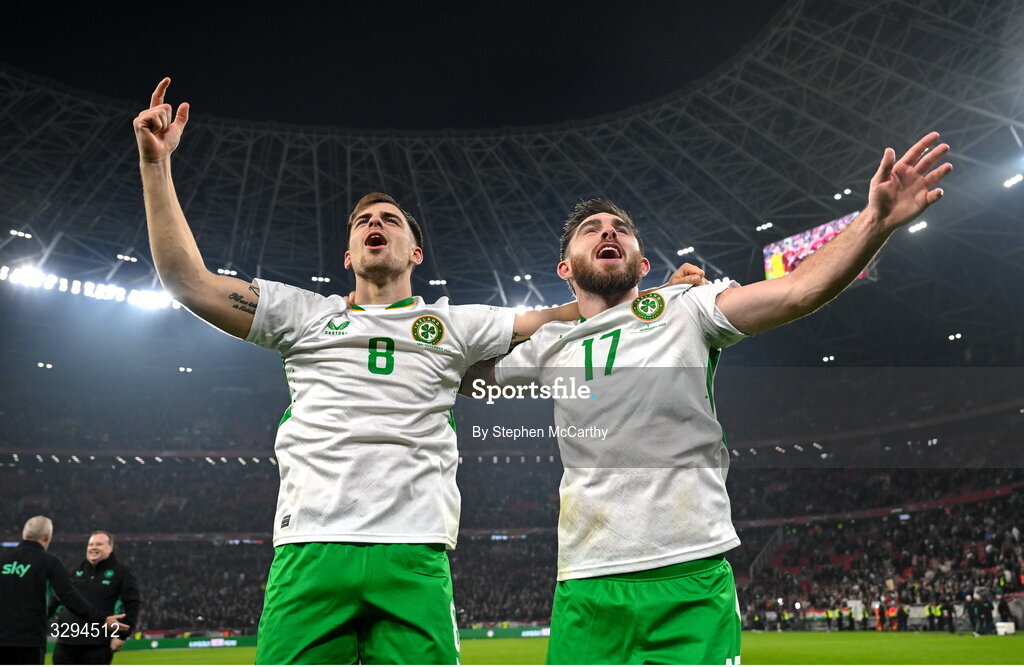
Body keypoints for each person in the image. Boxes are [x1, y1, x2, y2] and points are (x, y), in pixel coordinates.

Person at [132, 77, 708, 664]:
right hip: (310, 546)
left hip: (414, 552)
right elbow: (189, 283)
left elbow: (575, 311)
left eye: (390, 218)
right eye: (362, 222)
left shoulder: (457, 325)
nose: (374, 222)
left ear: (415, 252)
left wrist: (657, 296)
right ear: (349, 254)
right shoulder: (301, 314)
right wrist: (156, 166)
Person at [474, 132, 951, 664]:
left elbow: (798, 291)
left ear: (642, 262)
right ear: (565, 270)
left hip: (690, 575)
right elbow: (453, 372)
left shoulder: (688, 307)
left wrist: (875, 221)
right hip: (587, 585)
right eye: (591, 230)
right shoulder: (547, 347)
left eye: (621, 230)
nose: (608, 232)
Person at [0, 518, 127, 665]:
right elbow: (70, 597)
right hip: (28, 641)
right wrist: (102, 620)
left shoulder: (2, 559)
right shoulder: (49, 561)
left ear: (24, 534)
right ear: (47, 537)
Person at [50, 532, 139, 665]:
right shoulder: (75, 571)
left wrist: (121, 636)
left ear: (110, 548)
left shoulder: (122, 573)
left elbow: (132, 605)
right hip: (65, 643)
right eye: (90, 544)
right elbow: (56, 599)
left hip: (97, 645)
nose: (93, 547)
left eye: (99, 544)